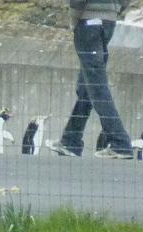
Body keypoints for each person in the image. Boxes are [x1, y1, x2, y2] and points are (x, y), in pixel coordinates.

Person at [48, 0, 137, 158]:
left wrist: (74, 21)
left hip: (87, 22)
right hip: (108, 23)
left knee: (96, 86)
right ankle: (70, 141)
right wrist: (114, 11)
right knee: (87, 86)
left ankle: (120, 143)